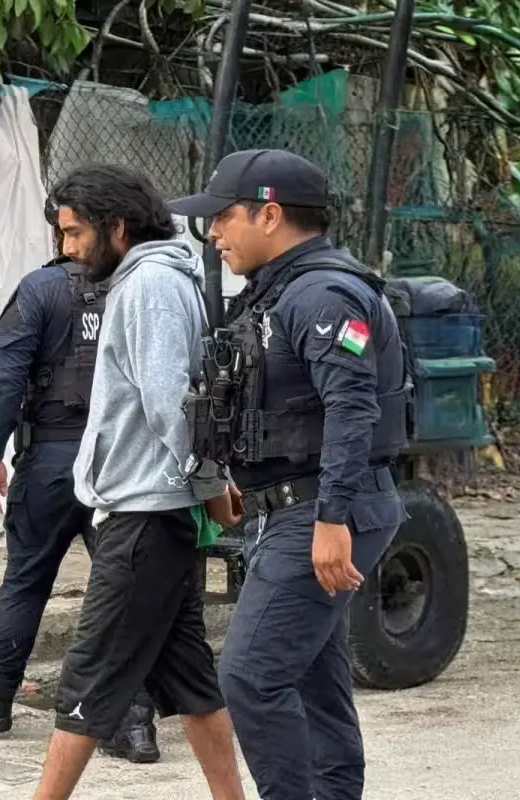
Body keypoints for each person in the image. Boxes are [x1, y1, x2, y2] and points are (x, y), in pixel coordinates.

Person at [169, 149, 410, 800]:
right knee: (311, 677)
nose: (212, 232)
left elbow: (351, 406)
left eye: (222, 217)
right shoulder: (283, 290)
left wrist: (331, 517)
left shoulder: (324, 293)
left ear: (269, 214)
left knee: (250, 677)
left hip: (326, 511)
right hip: (300, 505)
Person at [30, 163, 247, 800]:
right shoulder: (157, 278)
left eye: (74, 234)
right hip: (158, 512)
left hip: (144, 517)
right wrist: (207, 484)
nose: (67, 249)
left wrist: (209, 485)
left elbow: (169, 403)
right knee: (191, 680)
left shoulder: (148, 285)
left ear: (116, 226)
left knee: (87, 684)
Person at [0, 196, 160, 764]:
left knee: (26, 578)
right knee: (124, 590)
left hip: (49, 462)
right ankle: (134, 723)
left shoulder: (40, 291)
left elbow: (6, 377)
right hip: (118, 463)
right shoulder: (140, 285)